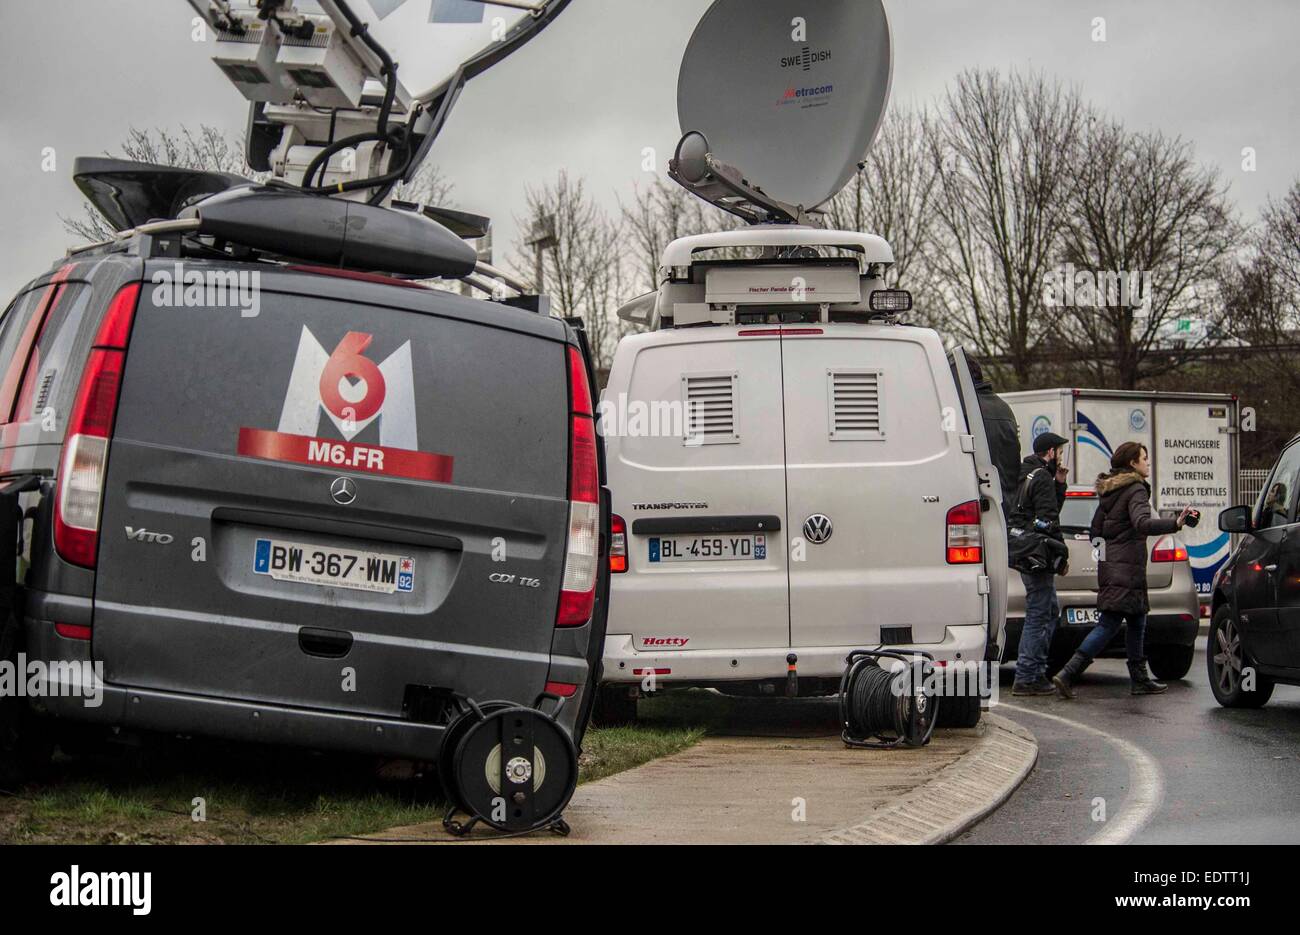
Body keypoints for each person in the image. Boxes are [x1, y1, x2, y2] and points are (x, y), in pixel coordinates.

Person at [1053, 441, 1192, 698]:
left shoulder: (1110, 491)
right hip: (1128, 568)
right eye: (1144, 458)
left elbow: (1096, 531)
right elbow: (1142, 523)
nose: (1148, 463)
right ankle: (1068, 673)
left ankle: (1139, 680)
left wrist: (1107, 557)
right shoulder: (1135, 489)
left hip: (1115, 567)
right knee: (1109, 624)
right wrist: (1176, 523)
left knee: (1138, 620)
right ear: (1132, 463)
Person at [1010, 431, 1070, 696]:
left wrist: (1060, 482)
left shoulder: (1024, 473)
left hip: (1024, 549)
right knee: (1040, 612)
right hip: (1039, 553)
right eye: (1059, 451)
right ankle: (1028, 675)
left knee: (1049, 609)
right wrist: (1062, 556)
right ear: (1050, 452)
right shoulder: (1042, 477)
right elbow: (1049, 519)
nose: (1060, 457)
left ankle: (1034, 671)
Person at [968, 358, 1021, 509]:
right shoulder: (1004, 408)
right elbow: (1014, 458)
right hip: (1004, 502)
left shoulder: (965, 408)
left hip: (978, 502)